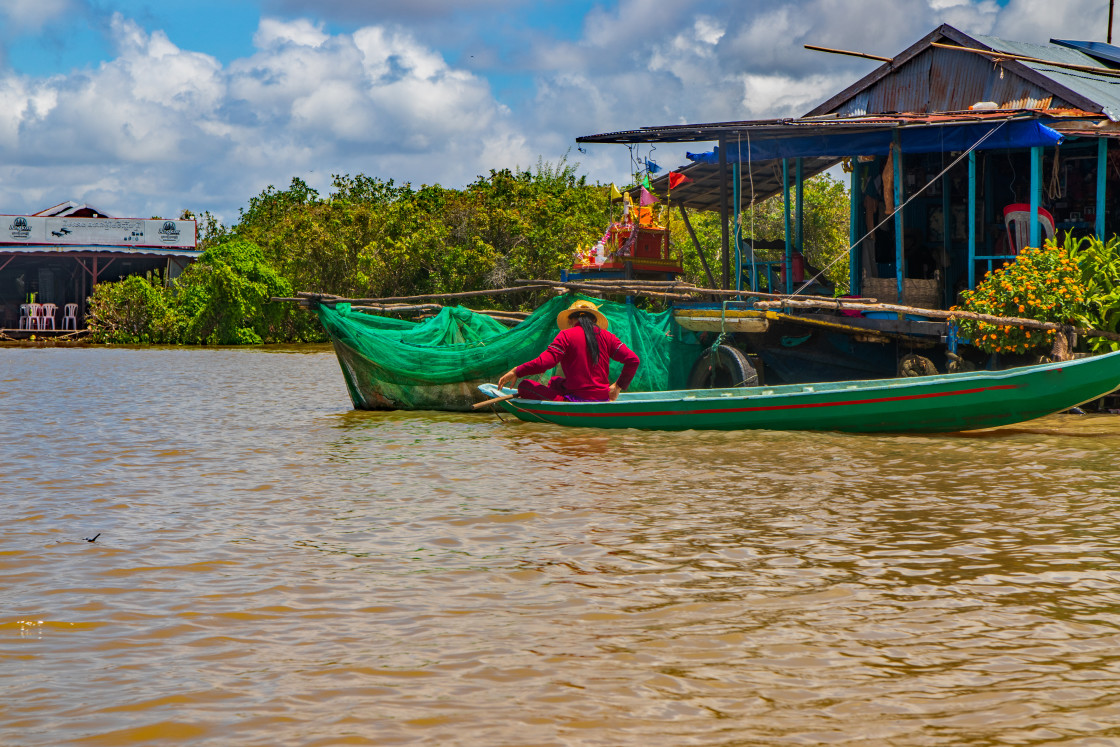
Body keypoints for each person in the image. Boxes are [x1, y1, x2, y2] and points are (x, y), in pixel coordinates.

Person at [497, 299, 640, 402]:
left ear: (571, 320)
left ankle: (562, 401)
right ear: (594, 320)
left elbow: (545, 363)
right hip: (602, 397)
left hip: (577, 399)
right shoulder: (608, 336)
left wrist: (517, 371)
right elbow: (633, 360)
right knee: (554, 381)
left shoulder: (566, 335)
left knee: (525, 386)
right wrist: (618, 386)